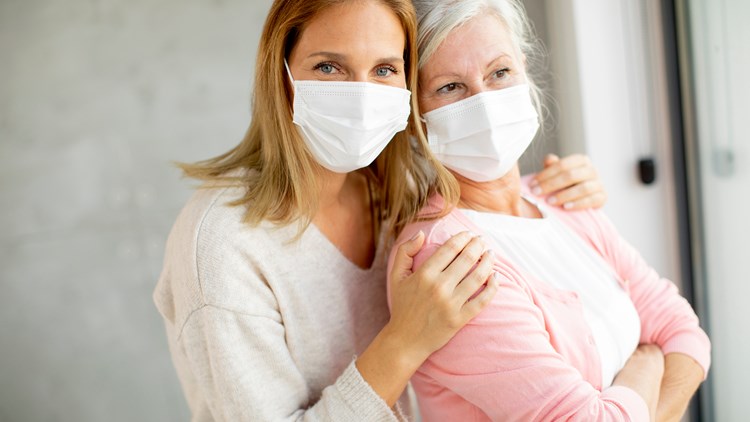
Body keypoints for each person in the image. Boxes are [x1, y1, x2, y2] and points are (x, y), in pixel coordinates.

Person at [153, 0, 607, 420]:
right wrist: (405, 340)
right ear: (282, 73)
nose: (362, 95)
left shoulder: (401, 190)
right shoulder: (222, 242)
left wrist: (559, 192)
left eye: (385, 69)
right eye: (329, 67)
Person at [387, 1, 711, 421]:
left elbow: (684, 332)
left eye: (499, 72)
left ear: (523, 71)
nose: (484, 102)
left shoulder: (560, 198)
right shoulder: (448, 260)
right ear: (417, 115)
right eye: (450, 87)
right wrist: (648, 361)